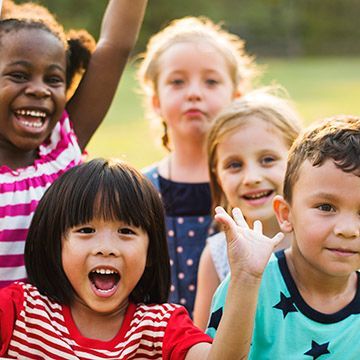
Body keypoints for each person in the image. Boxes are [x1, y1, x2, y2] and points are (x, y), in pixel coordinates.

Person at [0, 158, 283, 359]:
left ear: (151, 252)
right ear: (56, 244)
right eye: (86, 230)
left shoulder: (159, 328)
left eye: (126, 231)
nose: (106, 248)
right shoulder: (19, 311)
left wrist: (246, 277)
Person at [0, 0, 147, 288]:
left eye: (54, 79)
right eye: (19, 75)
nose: (40, 89)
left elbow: (115, 46)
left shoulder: (61, 147)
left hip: (47, 331)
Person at [206, 115, 360, 359]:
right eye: (326, 207)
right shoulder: (251, 286)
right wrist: (245, 281)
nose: (349, 229)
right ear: (286, 214)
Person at [137, 16, 258, 315]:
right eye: (177, 82)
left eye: (211, 81)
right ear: (155, 101)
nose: (194, 92)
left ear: (236, 97)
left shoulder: (254, 186)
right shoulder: (140, 187)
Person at [193, 88, 302, 329]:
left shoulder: (317, 239)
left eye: (267, 160)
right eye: (234, 165)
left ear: (297, 163)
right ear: (217, 176)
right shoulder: (217, 254)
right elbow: (202, 343)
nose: (252, 177)